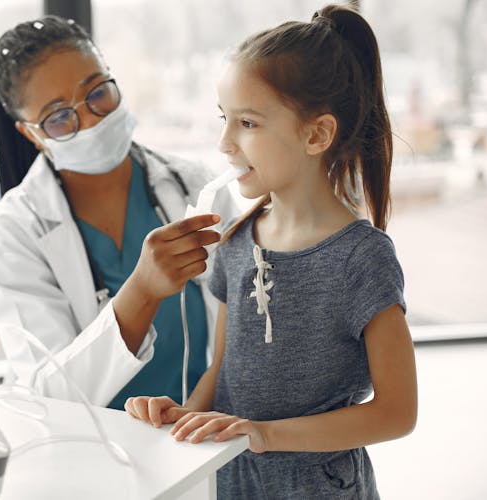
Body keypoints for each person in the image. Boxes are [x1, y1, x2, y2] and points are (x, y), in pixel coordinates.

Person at [124, 5, 417, 499]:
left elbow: (397, 413)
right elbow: (223, 374)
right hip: (233, 483)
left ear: (316, 134)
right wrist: (185, 418)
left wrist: (264, 434)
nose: (223, 143)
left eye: (248, 123)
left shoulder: (361, 259)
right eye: (224, 119)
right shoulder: (236, 241)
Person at [0, 16, 240, 409]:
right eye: (59, 117)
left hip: (197, 444)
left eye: (97, 93)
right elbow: (51, 394)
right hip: (90, 456)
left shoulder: (194, 185)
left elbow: (246, 333)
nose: (90, 120)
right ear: (31, 134)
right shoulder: (14, 233)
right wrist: (142, 291)